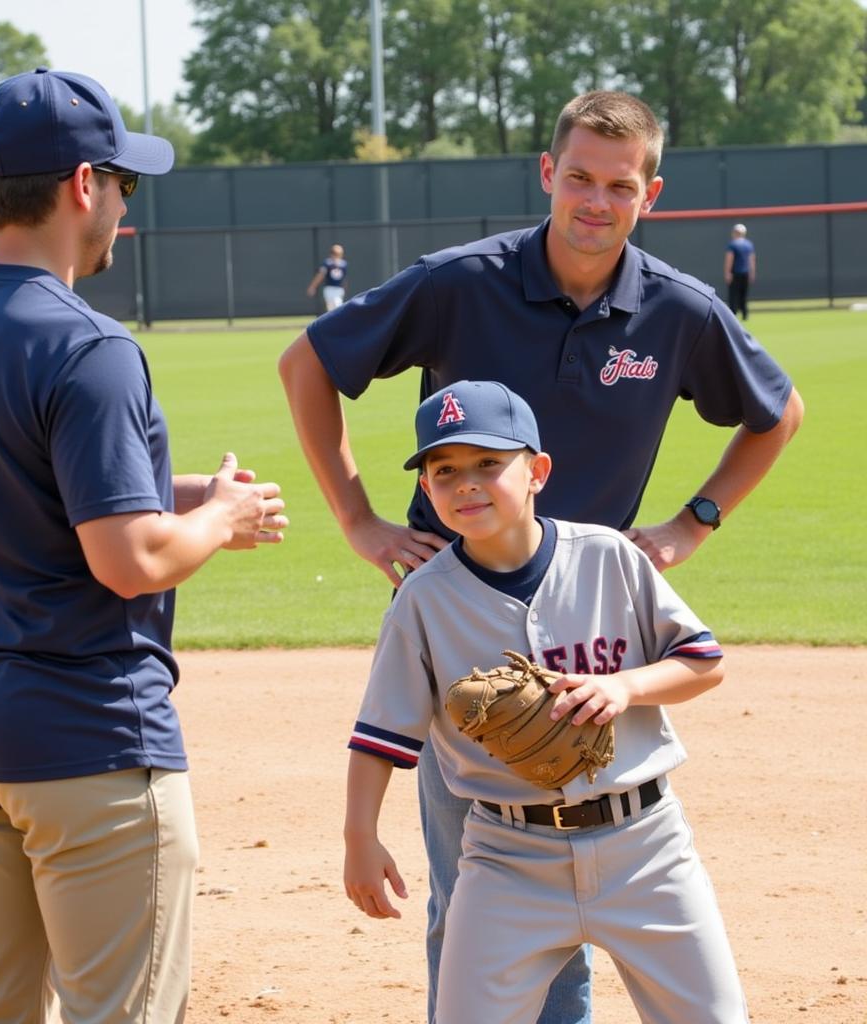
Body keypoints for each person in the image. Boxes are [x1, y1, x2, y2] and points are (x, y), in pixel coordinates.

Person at [279, 89, 802, 1024]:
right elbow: (307, 363)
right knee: (485, 881)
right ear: (546, 175)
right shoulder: (461, 281)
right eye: (579, 179)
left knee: (611, 845)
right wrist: (358, 520)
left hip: (600, 622)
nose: (596, 202)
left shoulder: (675, 310)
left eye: (620, 185)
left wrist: (694, 522)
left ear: (652, 194)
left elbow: (779, 412)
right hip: (465, 610)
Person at [0, 67, 287, 1024]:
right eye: (123, 184)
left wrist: (189, 495)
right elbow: (131, 562)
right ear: (82, 186)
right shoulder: (90, 345)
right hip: (84, 735)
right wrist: (218, 522)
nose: (123, 207)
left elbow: (10, 485)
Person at [344, 379, 748, 1024]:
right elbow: (379, 738)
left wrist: (623, 685)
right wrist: (358, 836)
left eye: (487, 464)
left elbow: (703, 663)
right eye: (444, 471)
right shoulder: (422, 599)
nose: (465, 483)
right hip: (508, 860)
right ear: (427, 491)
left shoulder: (609, 557)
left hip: (644, 848)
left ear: (537, 471)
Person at [725, 222, 756, 320]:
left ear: (735, 233)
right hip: (746, 273)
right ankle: (745, 314)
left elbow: (729, 259)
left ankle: (732, 315)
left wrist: (727, 272)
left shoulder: (732, 245)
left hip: (735, 273)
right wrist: (752, 273)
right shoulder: (749, 244)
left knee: (733, 295)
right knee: (743, 295)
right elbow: (752, 260)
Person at [306, 243, 348, 310]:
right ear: (331, 254)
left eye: (339, 254)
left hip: (339, 289)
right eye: (335, 254)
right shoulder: (327, 263)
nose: (337, 257)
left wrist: (344, 288)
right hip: (329, 288)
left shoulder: (343, 264)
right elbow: (320, 276)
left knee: (338, 306)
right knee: (331, 309)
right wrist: (313, 287)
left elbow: (344, 278)